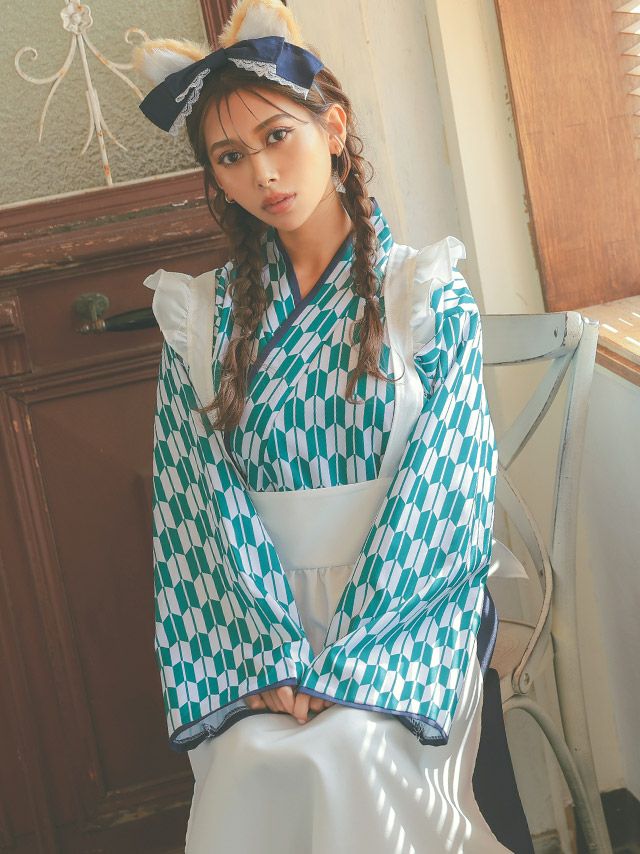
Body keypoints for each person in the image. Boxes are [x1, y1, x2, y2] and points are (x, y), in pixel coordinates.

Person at [134, 1, 534, 851]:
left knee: (347, 748)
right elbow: (195, 507)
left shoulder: (424, 294)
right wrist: (266, 657)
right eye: (231, 157)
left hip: (407, 615)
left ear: (335, 127)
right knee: (254, 755)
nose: (263, 173)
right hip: (257, 625)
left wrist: (359, 664)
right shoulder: (199, 321)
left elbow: (447, 493)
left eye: (279, 136)